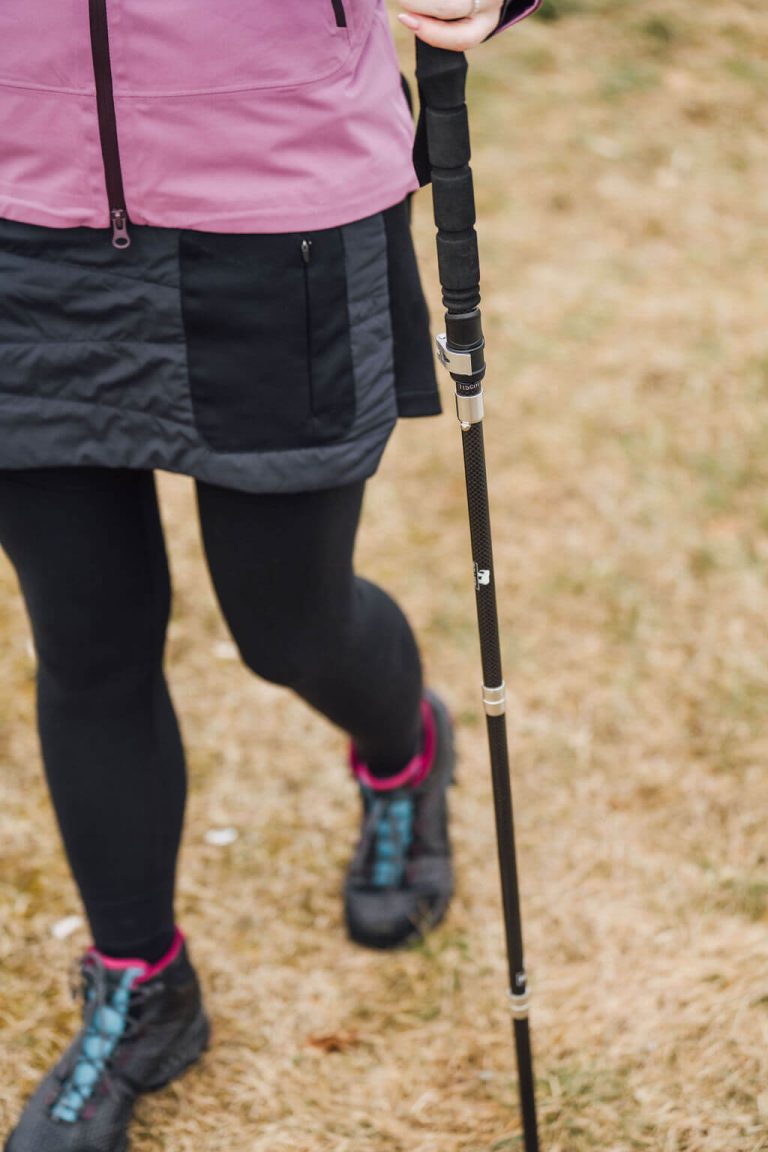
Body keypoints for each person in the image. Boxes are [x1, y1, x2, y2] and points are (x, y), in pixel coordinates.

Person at [0, 2, 539, 1149]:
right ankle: (141, 985)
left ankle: (405, 753)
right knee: (85, 638)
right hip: (12, 203)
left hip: (273, 189)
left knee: (287, 626)